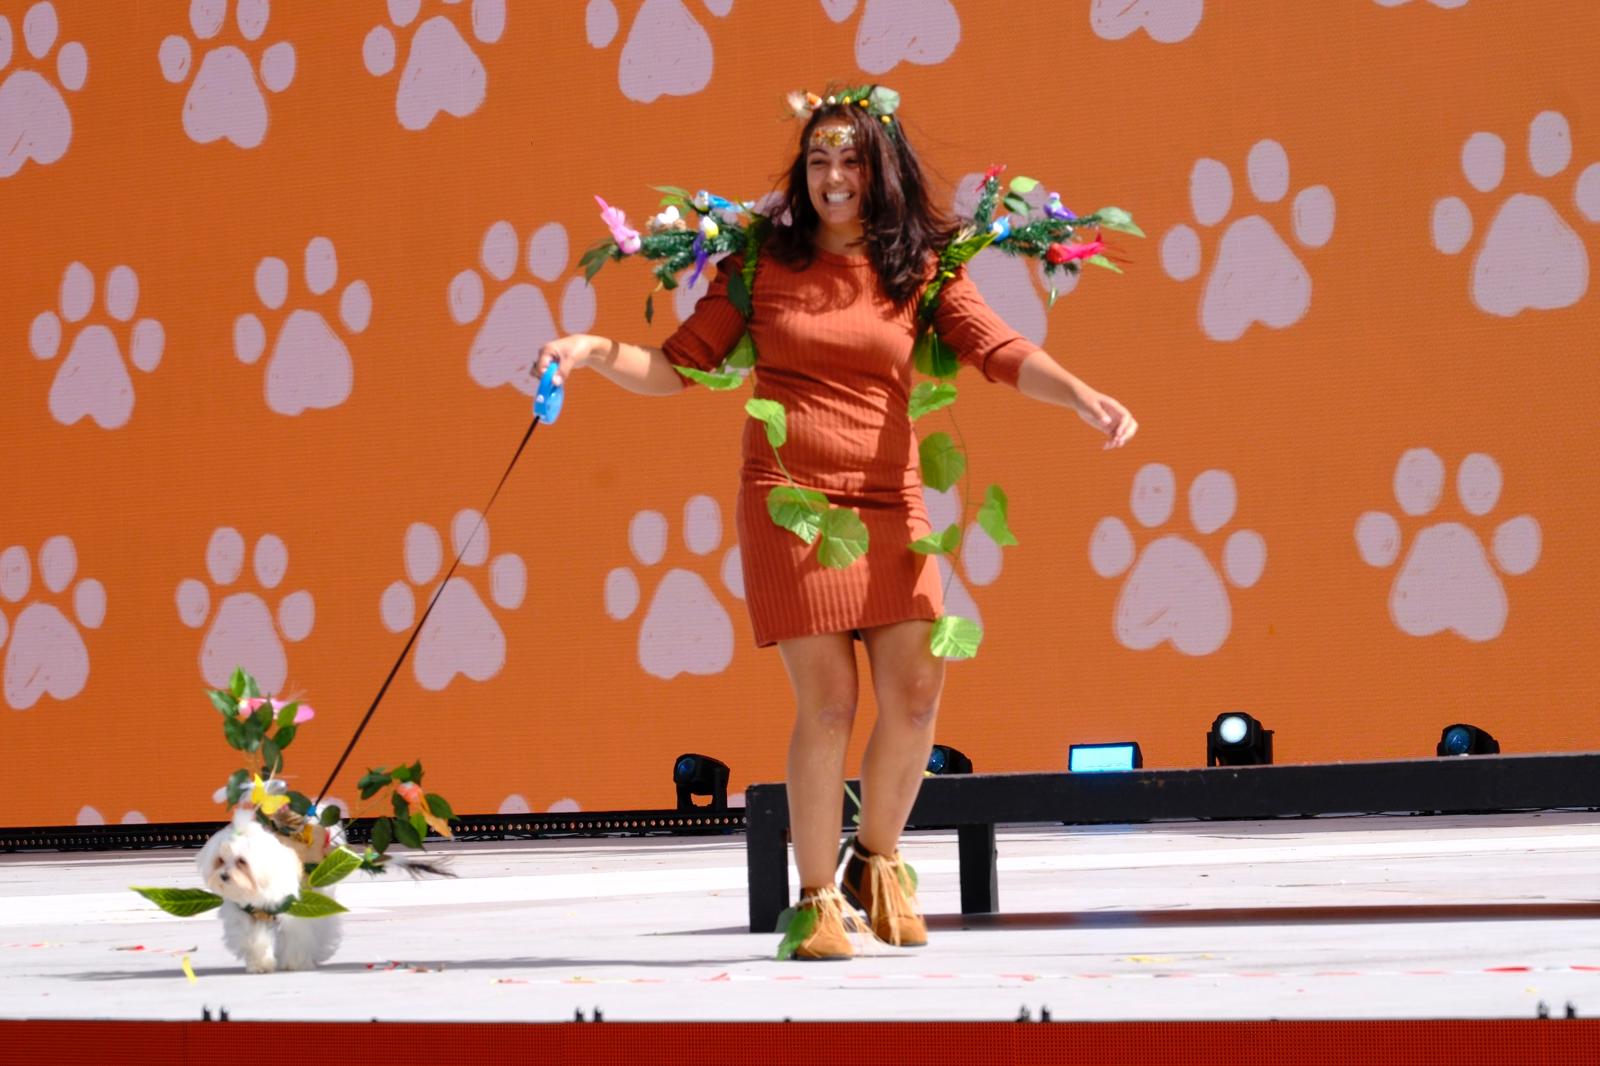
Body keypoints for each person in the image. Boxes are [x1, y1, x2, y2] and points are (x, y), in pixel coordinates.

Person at [535, 89, 1137, 960]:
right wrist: (588, 351)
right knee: (829, 707)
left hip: (890, 499)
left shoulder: (918, 266)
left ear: (879, 169)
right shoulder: (763, 265)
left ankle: (877, 862)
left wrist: (1081, 394)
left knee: (918, 693)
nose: (833, 176)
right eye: (818, 160)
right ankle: (815, 901)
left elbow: (997, 348)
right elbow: (676, 367)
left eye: (851, 159)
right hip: (790, 499)